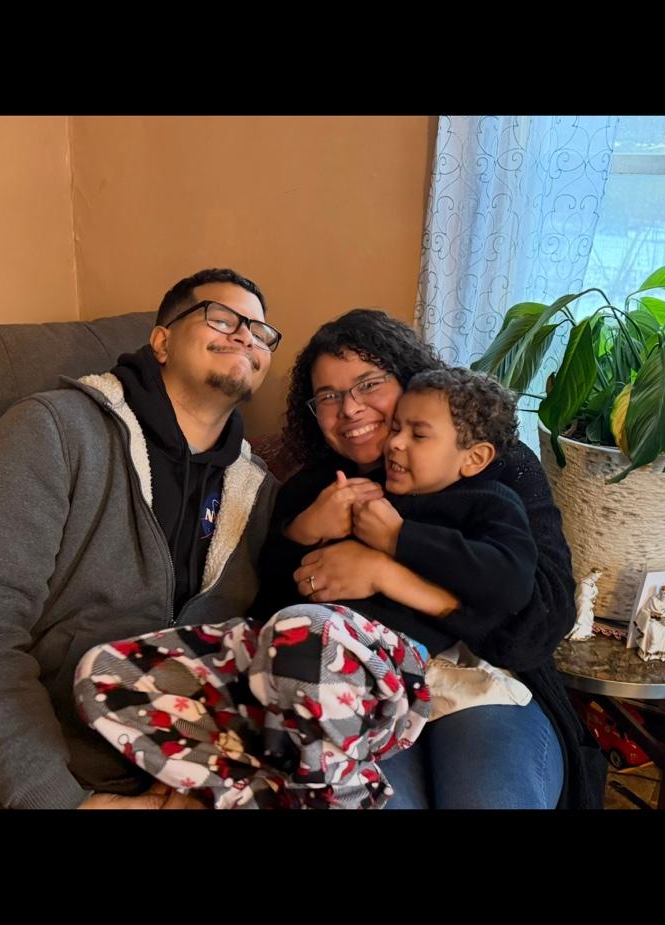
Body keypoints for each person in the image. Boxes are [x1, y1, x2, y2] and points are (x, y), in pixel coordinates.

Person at [74, 367, 536, 808]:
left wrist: (398, 539)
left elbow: (510, 584)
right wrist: (306, 529)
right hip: (280, 658)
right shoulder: (354, 486)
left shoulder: (489, 504)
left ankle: (345, 794)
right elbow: (275, 579)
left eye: (418, 435)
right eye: (396, 427)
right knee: (103, 673)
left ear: (474, 458)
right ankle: (258, 786)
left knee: (308, 630)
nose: (394, 442)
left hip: (381, 672)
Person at [0, 267, 281, 809]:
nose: (245, 337)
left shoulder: (260, 495)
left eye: (260, 332)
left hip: (190, 775)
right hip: (32, 773)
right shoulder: (52, 430)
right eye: (223, 318)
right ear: (161, 341)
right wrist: (61, 798)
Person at [254, 309, 605, 809]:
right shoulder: (315, 491)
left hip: (485, 681)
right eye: (328, 396)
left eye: (369, 384)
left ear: (409, 381)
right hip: (365, 694)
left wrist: (387, 574)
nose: (349, 408)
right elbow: (274, 615)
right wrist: (301, 533)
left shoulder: (494, 468)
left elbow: (540, 624)